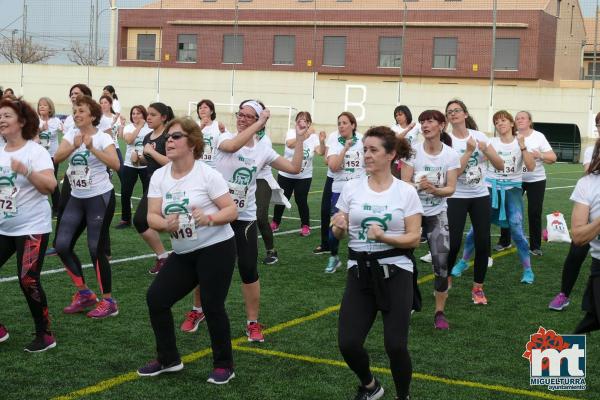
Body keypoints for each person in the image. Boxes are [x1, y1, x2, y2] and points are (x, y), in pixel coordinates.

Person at [137, 117, 239, 384]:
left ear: (192, 143)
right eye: (168, 137)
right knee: (156, 299)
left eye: (176, 137)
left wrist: (209, 218)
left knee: (212, 304)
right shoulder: (160, 175)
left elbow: (231, 210)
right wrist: (164, 224)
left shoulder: (208, 174)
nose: (168, 141)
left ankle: (224, 364)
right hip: (183, 252)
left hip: (216, 248)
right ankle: (168, 359)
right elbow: (151, 217)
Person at [333, 126, 421, 400]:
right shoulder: (352, 186)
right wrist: (338, 226)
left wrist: (384, 236)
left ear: (390, 154)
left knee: (395, 346)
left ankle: (403, 396)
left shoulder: (405, 192)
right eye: (365, 150)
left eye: (373, 150)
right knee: (348, 343)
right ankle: (370, 386)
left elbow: (414, 238)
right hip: (360, 272)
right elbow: (338, 230)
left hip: (396, 272)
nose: (366, 155)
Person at [213, 99, 306, 342]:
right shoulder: (222, 138)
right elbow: (233, 146)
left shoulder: (263, 148)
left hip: (244, 217)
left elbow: (295, 168)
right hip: (217, 214)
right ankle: (198, 310)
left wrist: (300, 139)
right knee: (209, 266)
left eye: (248, 116)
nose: (242, 119)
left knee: (248, 268)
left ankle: (252, 322)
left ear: (257, 120)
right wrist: (260, 123)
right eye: (240, 114)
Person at [53, 95, 120, 319]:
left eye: (81, 111)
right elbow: (57, 157)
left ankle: (109, 301)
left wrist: (92, 149)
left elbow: (116, 164)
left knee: (95, 249)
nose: (77, 115)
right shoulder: (71, 134)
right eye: (75, 111)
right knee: (61, 245)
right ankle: (84, 293)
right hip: (76, 196)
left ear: (92, 115)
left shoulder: (103, 138)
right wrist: (73, 146)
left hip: (99, 198)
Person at [0, 97, 58, 352]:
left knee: (28, 279)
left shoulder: (35, 152)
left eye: (7, 116)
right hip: (4, 227)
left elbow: (50, 186)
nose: (1, 119)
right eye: (0, 115)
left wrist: (26, 172)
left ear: (22, 122)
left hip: (32, 227)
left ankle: (45, 334)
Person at [457, 110, 536, 284]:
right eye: (497, 122)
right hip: (490, 188)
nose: (500, 124)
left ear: (511, 123)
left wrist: (523, 146)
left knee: (517, 229)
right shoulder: (490, 142)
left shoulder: (520, 142)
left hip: (512, 190)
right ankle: (463, 262)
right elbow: (479, 160)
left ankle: (528, 270)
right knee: (476, 229)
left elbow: (530, 166)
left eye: (503, 120)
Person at [401, 110, 459, 330]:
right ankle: (409, 301)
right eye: (423, 121)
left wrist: (434, 189)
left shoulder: (451, 155)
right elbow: (403, 182)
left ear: (441, 125)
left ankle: (439, 312)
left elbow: (451, 188)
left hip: (437, 212)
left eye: (430, 121)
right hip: (412, 213)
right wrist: (418, 185)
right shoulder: (413, 152)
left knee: (441, 263)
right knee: (402, 258)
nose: (425, 125)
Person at [445, 99, 504, 305]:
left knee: (482, 242)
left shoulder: (479, 136)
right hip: (456, 196)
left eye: (457, 110)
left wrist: (485, 150)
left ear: (465, 113)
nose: (453, 114)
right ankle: (446, 277)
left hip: (479, 195)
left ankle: (478, 288)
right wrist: (469, 151)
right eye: (450, 112)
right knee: (452, 243)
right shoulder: (447, 141)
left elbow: (500, 164)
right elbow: (455, 172)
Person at [496, 111, 556, 256]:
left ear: (530, 121)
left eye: (523, 118)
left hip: (536, 180)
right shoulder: (510, 136)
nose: (519, 120)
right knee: (509, 210)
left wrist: (540, 155)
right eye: (517, 118)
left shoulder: (538, 136)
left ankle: (535, 246)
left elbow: (552, 157)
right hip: (515, 179)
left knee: (534, 212)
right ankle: (505, 241)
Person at [547, 136, 597, 311]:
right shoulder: (592, 150)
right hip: (590, 216)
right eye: (598, 124)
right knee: (575, 254)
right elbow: (588, 173)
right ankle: (564, 294)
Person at [46, 83, 93, 257]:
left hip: (94, 174)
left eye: (78, 93)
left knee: (95, 215)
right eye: (72, 93)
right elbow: (60, 153)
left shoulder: (97, 117)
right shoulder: (69, 120)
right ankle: (58, 244)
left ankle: (104, 249)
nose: (74, 96)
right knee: (63, 206)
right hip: (73, 172)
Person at [132, 102, 173, 274]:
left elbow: (172, 163)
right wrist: (139, 159)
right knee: (141, 221)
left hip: (170, 186)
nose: (148, 117)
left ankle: (172, 257)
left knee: (181, 222)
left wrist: (151, 152)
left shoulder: (169, 136)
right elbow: (150, 161)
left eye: (153, 114)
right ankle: (164, 257)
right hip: (153, 185)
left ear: (163, 117)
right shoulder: (148, 137)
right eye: (147, 114)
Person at [271, 111, 326, 236]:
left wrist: (322, 141)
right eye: (300, 120)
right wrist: (306, 134)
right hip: (286, 173)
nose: (302, 122)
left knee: (301, 200)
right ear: (296, 122)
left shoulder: (313, 137)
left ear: (309, 123)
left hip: (304, 176)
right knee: (282, 198)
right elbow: (290, 144)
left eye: (306, 120)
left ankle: (305, 225)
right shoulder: (291, 132)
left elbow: (320, 152)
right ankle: (275, 222)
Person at [324, 111, 365, 273]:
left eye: (345, 123)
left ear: (353, 125)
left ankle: (359, 258)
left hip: (360, 189)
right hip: (339, 191)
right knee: (336, 226)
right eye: (339, 123)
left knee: (360, 224)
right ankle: (334, 257)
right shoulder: (335, 142)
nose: (341, 126)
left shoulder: (363, 141)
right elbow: (333, 167)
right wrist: (344, 149)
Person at [570, 139, 600, 334]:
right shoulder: (587, 184)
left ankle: (558, 360)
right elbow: (578, 236)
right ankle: (558, 360)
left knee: (593, 317)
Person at [115, 105, 152, 229]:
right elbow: (129, 140)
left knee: (148, 193)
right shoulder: (129, 127)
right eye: (133, 113)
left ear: (144, 115)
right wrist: (140, 126)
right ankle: (126, 220)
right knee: (126, 192)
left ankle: (147, 219)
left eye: (138, 113)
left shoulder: (149, 129)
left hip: (145, 165)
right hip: (129, 164)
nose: (135, 116)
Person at [37, 96, 63, 214]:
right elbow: (29, 135)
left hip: (52, 155)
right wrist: (41, 129)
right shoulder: (35, 120)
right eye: (40, 105)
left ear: (50, 108)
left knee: (52, 181)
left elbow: (64, 130)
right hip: (37, 156)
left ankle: (57, 208)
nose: (42, 107)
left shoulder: (55, 121)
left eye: (45, 105)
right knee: (36, 180)